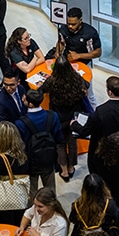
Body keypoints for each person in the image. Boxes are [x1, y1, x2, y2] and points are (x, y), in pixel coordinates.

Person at [72, 75, 119, 175]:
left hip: (100, 152)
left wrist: (74, 124)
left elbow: (85, 131)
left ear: (109, 92)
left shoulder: (100, 111)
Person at [42, 52, 89, 182]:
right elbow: (86, 84)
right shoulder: (76, 79)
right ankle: (71, 168)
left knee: (60, 145)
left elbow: (40, 90)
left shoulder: (52, 81)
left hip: (58, 118)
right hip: (74, 118)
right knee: (72, 143)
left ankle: (64, 171)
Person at [0, 121, 30, 226]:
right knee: (18, 223)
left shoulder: (1, 159)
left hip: (5, 202)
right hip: (19, 196)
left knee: (6, 226)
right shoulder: (21, 151)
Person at [17, 89, 63, 195]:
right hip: (49, 159)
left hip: (30, 162)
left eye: (25, 98)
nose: (22, 99)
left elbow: (20, 145)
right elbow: (59, 138)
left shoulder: (20, 123)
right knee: (50, 190)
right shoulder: (53, 116)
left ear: (31, 104)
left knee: (31, 192)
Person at [55, 7, 102, 107]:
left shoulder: (90, 33)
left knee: (88, 94)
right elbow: (61, 42)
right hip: (67, 63)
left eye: (73, 24)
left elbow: (97, 52)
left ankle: (94, 111)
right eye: (68, 23)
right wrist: (57, 52)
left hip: (84, 64)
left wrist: (78, 55)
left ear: (80, 21)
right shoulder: (63, 29)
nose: (70, 26)